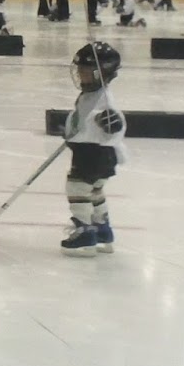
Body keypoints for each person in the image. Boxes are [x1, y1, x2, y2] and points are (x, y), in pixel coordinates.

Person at [60, 41, 128, 256]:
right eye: (79, 70)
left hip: (94, 154)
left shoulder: (104, 100)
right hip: (96, 154)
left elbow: (115, 123)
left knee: (77, 189)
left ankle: (85, 233)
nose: (81, 75)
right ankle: (102, 229)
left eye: (86, 71)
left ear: (102, 73)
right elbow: (81, 119)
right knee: (94, 190)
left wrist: (113, 124)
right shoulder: (90, 94)